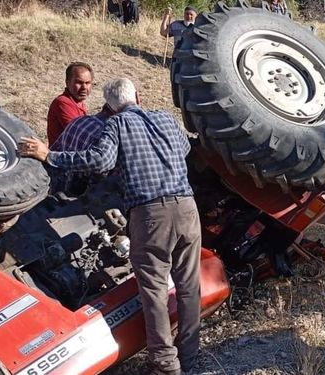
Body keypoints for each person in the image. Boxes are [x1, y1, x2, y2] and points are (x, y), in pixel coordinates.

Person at [20, 78, 201, 375]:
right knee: (188, 286)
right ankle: (191, 357)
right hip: (187, 207)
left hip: (149, 213)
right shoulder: (165, 118)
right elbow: (183, 149)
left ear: (109, 106)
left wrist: (48, 155)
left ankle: (166, 365)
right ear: (138, 96)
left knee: (154, 291)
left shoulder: (116, 125)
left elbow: (99, 161)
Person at [49, 104, 114, 195]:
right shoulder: (107, 136)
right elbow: (98, 175)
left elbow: (55, 149)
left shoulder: (77, 121)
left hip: (56, 190)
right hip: (79, 200)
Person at [47, 62, 93, 147]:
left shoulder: (78, 102)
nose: (84, 87)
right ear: (67, 83)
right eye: (79, 82)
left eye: (87, 83)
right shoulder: (63, 102)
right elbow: (79, 134)